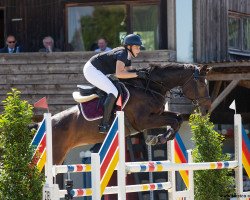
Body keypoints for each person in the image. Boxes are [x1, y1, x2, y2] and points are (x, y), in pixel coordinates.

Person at [83, 34, 147, 133]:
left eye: (139, 47)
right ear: (129, 46)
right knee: (113, 91)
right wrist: (138, 74)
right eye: (137, 47)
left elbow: (129, 73)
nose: (139, 50)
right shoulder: (123, 53)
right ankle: (104, 124)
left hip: (98, 70)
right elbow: (120, 73)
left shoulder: (128, 56)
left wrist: (142, 74)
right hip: (91, 70)